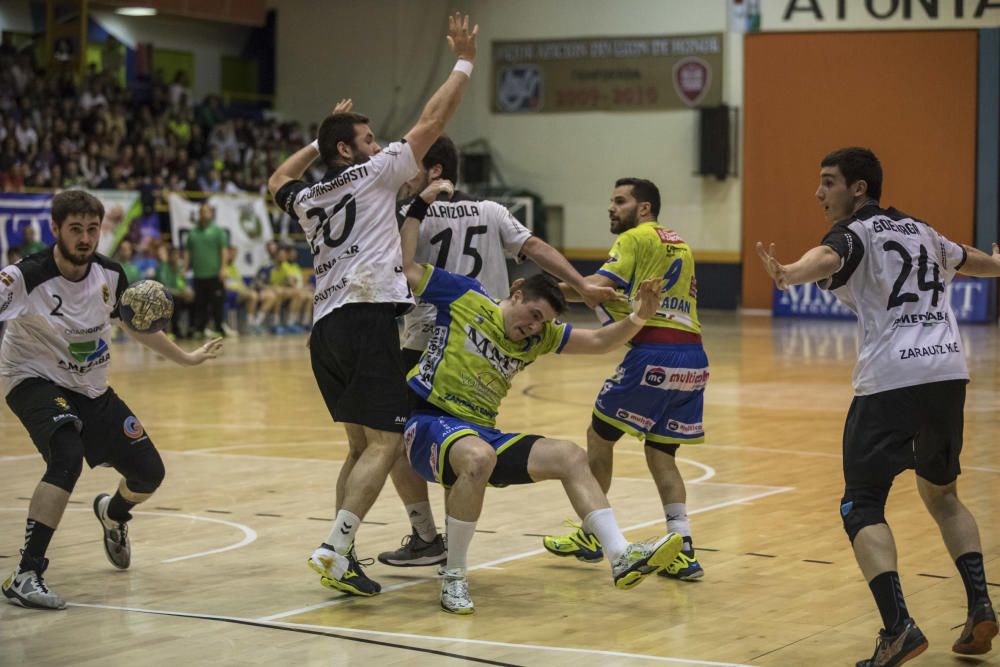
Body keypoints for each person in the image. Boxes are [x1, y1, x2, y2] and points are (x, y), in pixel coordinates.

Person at [755, 147, 1000, 665]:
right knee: (944, 495)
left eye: (828, 182)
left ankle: (898, 629)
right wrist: (998, 264)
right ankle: (981, 605)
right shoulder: (922, 231)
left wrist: (789, 273)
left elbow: (828, 258)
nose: (819, 193)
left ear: (858, 188)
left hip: (892, 378)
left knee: (861, 504)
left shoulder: (854, 232)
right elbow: (968, 258)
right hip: (947, 372)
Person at [396, 179, 683, 614]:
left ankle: (621, 554)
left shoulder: (540, 338)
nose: (533, 328)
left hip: (479, 434)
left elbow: (602, 341)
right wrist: (417, 206)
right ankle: (453, 576)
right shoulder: (463, 296)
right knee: (476, 457)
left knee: (569, 454)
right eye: (532, 316)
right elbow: (405, 265)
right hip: (427, 425)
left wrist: (641, 317)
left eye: (542, 323)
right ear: (515, 294)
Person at [267, 13, 480, 597]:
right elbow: (433, 122)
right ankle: (333, 546)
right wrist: (464, 60)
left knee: (361, 447)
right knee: (387, 444)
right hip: (368, 317)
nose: (380, 144)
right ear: (350, 150)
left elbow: (275, 179)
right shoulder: (377, 174)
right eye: (366, 138)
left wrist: (317, 139)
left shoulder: (309, 197)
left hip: (325, 329)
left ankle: (344, 555)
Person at [377, 135, 619, 568]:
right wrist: (581, 286)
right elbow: (537, 250)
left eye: (412, 167)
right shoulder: (491, 211)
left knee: (395, 442)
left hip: (428, 336)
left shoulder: (409, 213)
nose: (403, 176)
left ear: (434, 171)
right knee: (463, 443)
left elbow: (398, 268)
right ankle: (449, 549)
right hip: (491, 337)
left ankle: (426, 536)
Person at [0, 190, 222, 610]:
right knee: (66, 455)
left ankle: (114, 513)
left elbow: (136, 325)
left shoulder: (111, 274)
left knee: (148, 473)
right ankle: (26, 573)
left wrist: (186, 358)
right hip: (32, 379)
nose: (85, 238)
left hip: (91, 387)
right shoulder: (25, 276)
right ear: (55, 230)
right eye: (75, 229)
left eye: (92, 229)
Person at [542, 178, 709, 581]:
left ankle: (592, 535)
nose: (612, 208)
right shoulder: (678, 242)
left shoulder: (635, 238)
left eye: (620, 201)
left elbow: (594, 288)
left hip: (653, 353)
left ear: (645, 208)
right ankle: (683, 546)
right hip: (695, 358)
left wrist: (541, 293)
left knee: (599, 438)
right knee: (662, 456)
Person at [185, 202, 229, 338]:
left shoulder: (218, 232)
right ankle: (200, 329)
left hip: (214, 274)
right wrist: (185, 268)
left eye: (206, 211)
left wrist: (223, 268)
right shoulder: (192, 233)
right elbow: (188, 253)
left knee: (217, 304)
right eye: (201, 211)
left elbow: (224, 251)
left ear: (211, 214)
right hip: (199, 274)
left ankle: (219, 329)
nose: (204, 214)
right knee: (200, 304)